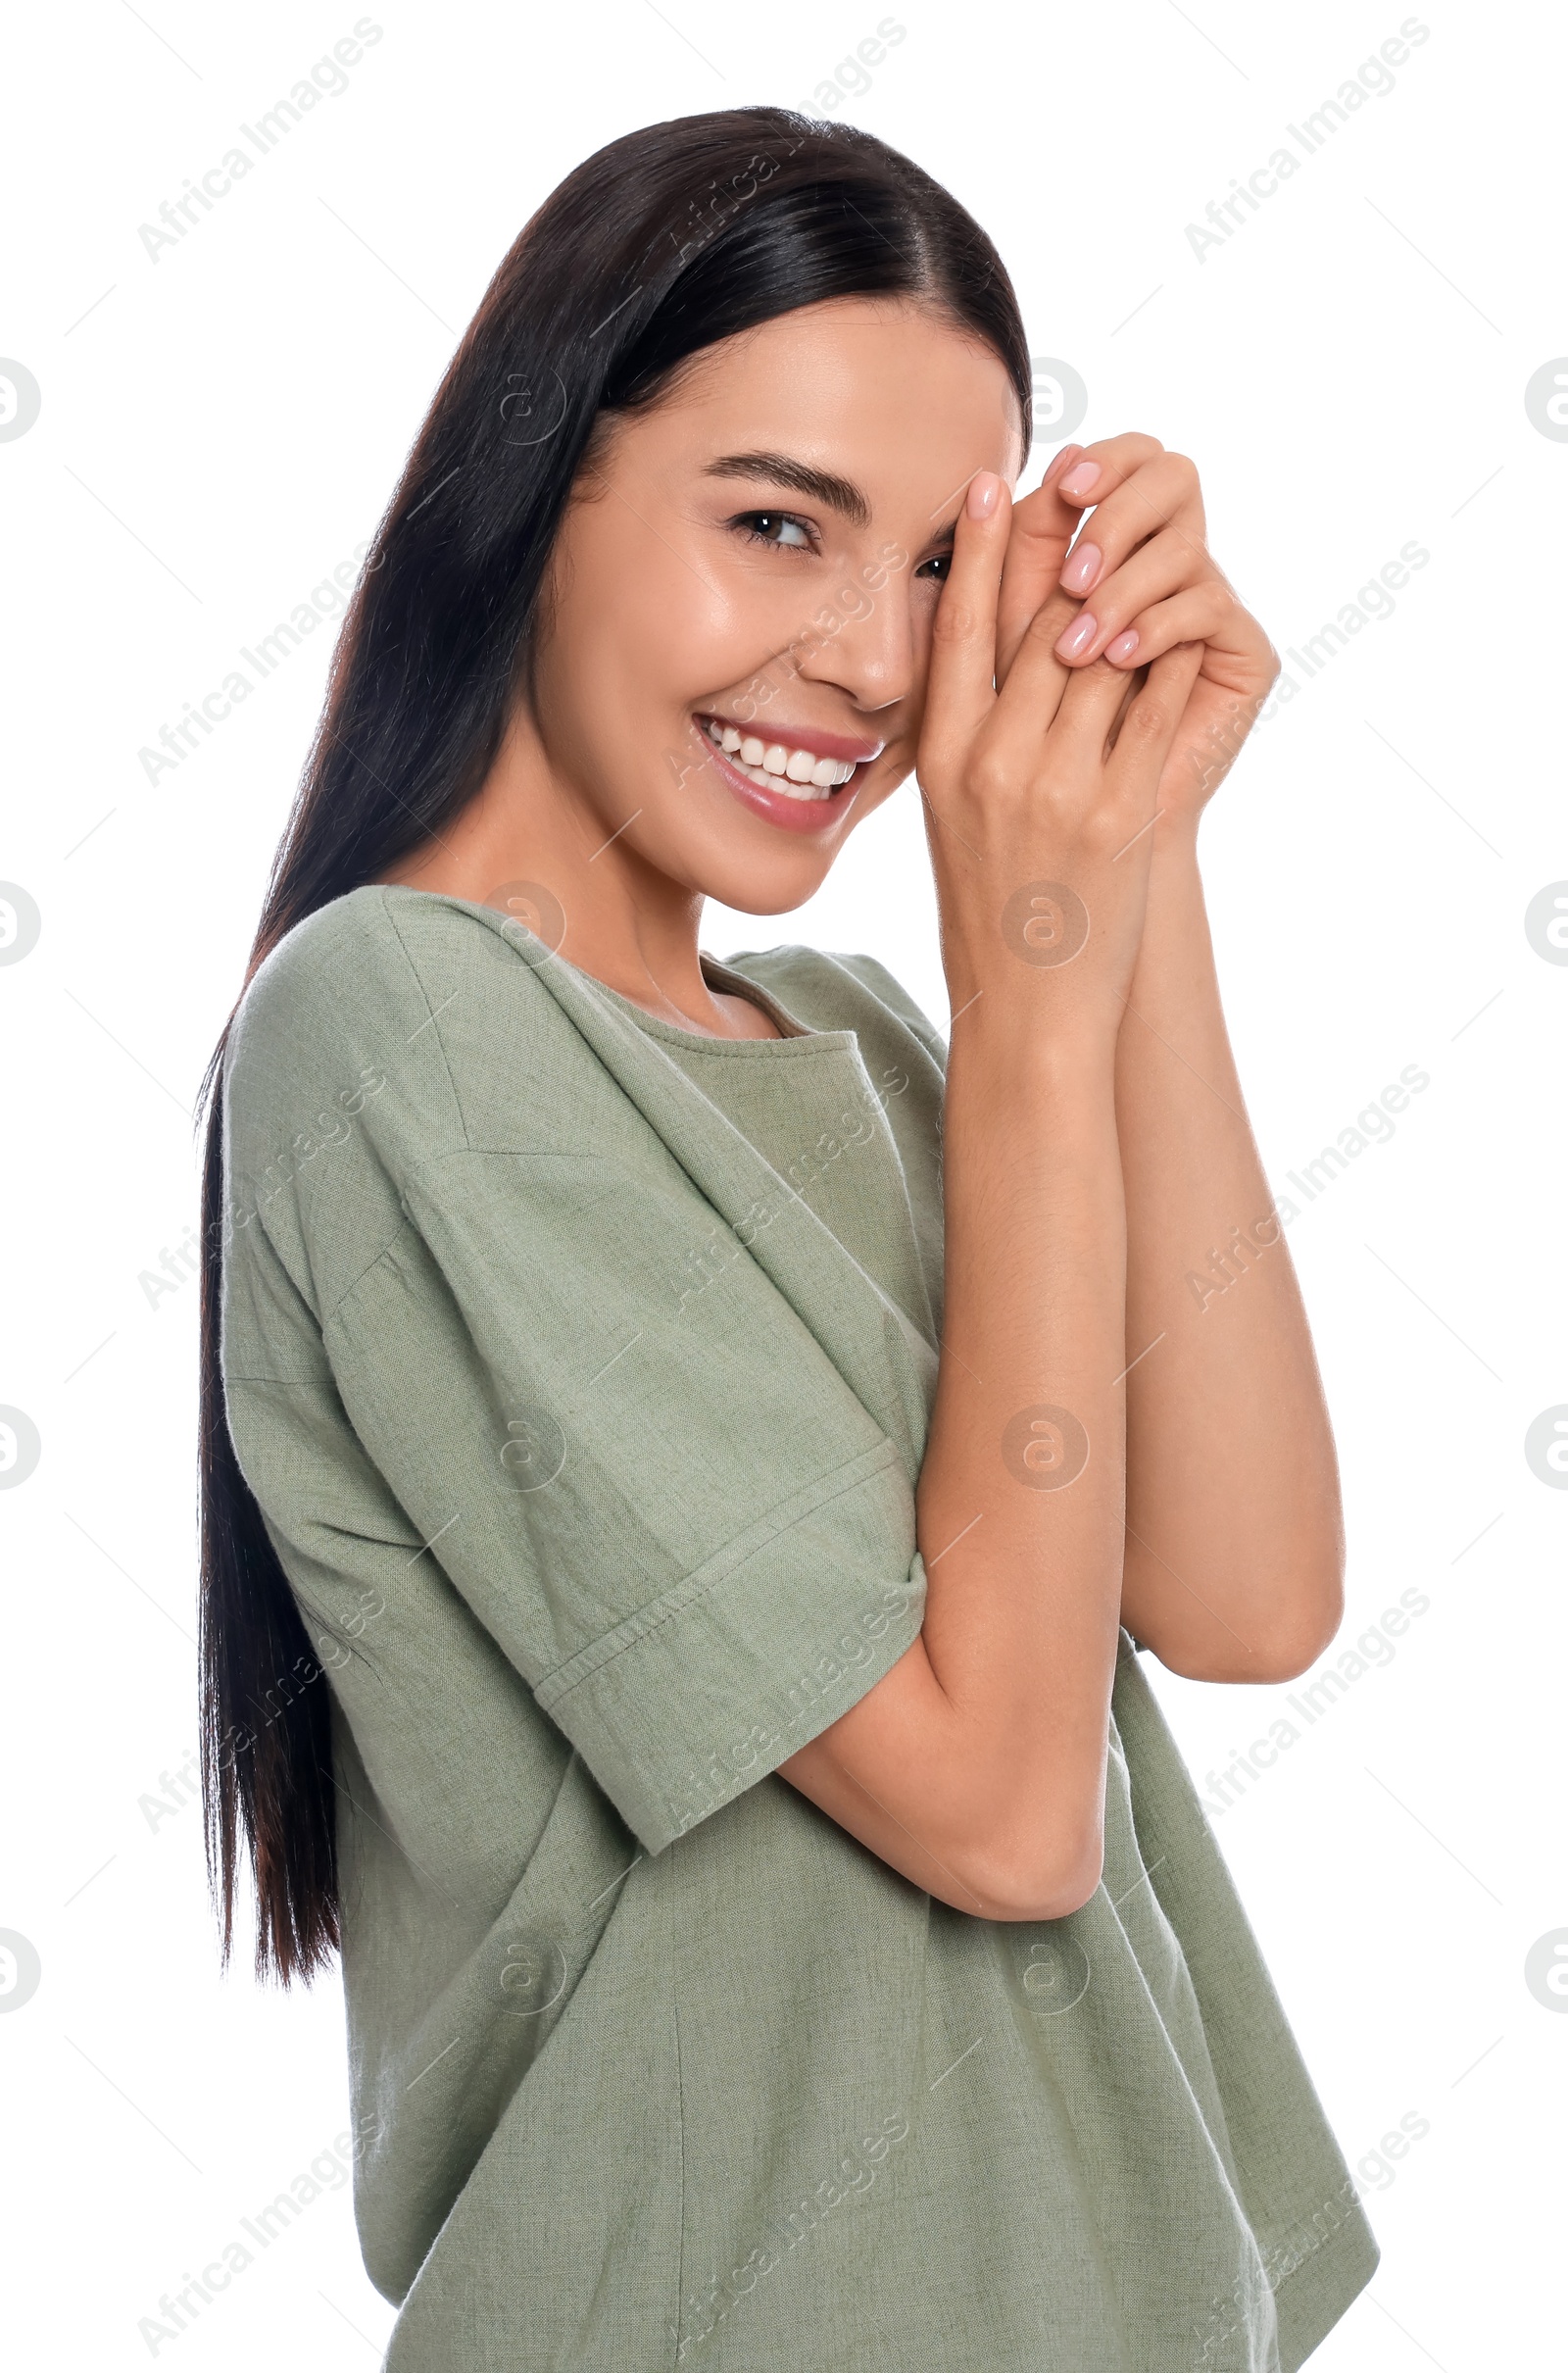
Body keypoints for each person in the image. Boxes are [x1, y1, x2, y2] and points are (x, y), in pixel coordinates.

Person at [198, 105, 1378, 2371]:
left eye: (935, 569)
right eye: (772, 525)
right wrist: (1028, 987)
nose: (861, 659)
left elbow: (1244, 1592)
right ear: (541, 495)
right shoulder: (397, 1025)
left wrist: (1124, 850)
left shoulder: (843, 1032)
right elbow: (1003, 1807)